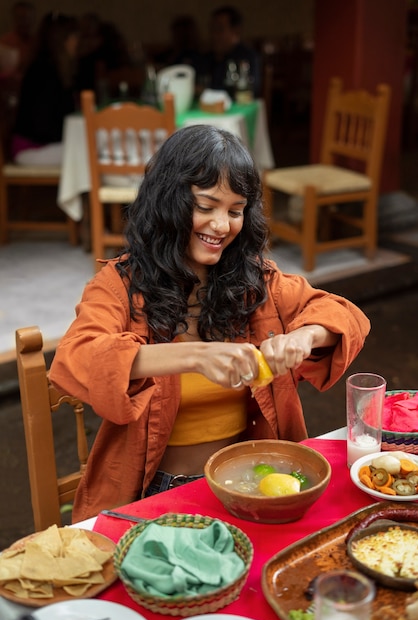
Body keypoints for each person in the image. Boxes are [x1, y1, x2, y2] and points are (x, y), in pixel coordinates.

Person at [49, 124, 370, 523]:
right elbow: (76, 356)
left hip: (254, 482)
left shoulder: (255, 281)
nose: (221, 226)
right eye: (206, 207)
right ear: (169, 201)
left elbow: (346, 315)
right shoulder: (119, 286)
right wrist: (193, 356)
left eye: (235, 211)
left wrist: (305, 336)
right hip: (157, 492)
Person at [11, 12, 79, 165]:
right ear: (62, 40)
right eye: (74, 37)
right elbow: (42, 125)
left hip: (44, 146)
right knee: (87, 152)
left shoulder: (55, 70)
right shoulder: (44, 73)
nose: (77, 42)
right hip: (31, 149)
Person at [196, 5, 261, 98]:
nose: (214, 35)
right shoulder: (207, 58)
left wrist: (207, 91)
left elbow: (249, 92)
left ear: (236, 31)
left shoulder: (247, 57)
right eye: (212, 29)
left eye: (219, 29)